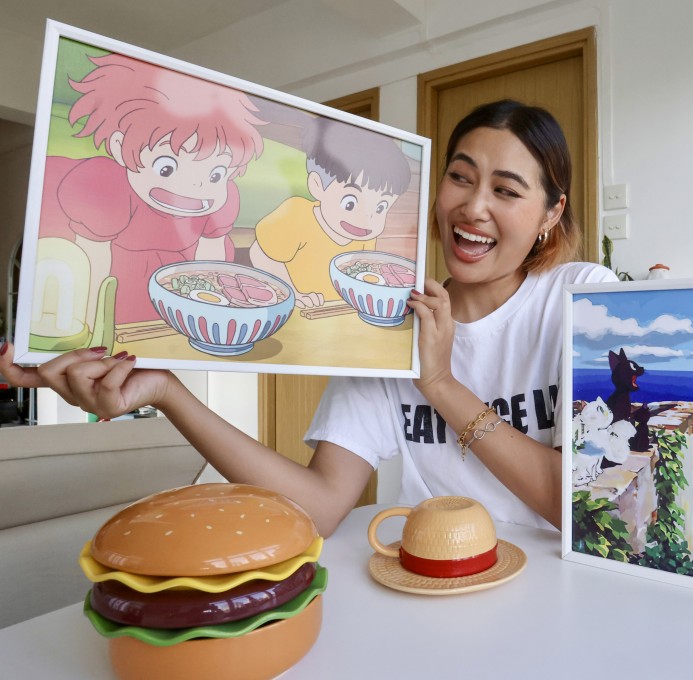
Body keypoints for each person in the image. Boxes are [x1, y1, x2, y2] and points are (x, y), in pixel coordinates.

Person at [1, 100, 616, 535]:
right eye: (459, 177)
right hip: (428, 579)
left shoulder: (582, 298)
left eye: (507, 191)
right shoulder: (385, 324)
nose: (473, 206)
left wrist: (440, 387)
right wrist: (168, 392)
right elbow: (320, 508)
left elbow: (584, 505)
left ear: (549, 214)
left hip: (554, 582)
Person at [39, 53, 265, 325]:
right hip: (117, 280)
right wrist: (90, 328)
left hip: (177, 284)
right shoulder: (106, 187)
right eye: (166, 167)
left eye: (216, 173)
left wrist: (202, 315)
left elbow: (209, 264)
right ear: (119, 147)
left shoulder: (223, 198)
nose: (197, 184)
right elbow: (92, 266)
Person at [248, 117, 413, 309]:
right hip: (295, 315)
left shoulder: (363, 234)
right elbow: (261, 253)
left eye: (380, 208)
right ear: (317, 186)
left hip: (336, 320)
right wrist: (292, 294)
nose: (367, 218)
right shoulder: (296, 214)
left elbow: (360, 272)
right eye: (350, 203)